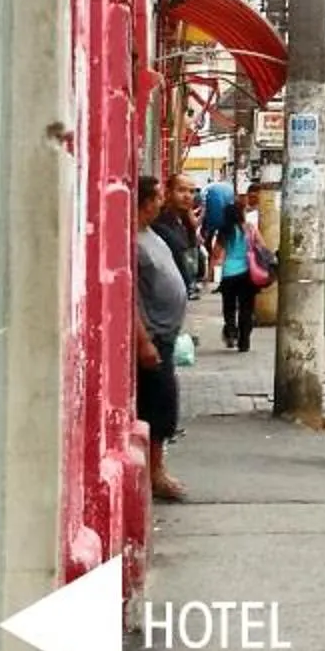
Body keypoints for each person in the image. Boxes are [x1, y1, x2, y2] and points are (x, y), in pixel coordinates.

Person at [133, 177, 190, 500]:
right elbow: (130, 298)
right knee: (157, 407)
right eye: (156, 197)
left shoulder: (150, 233)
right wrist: (142, 340)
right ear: (145, 201)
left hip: (165, 334)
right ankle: (154, 472)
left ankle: (156, 468)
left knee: (165, 405)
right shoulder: (134, 241)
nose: (160, 202)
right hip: (153, 335)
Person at [210, 185, 268, 351]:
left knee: (229, 307)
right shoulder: (249, 228)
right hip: (248, 273)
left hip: (229, 273)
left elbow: (216, 253)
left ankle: (231, 331)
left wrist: (212, 270)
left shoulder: (224, 231)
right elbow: (262, 247)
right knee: (246, 308)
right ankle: (244, 342)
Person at [153, 175, 204, 298]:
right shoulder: (160, 222)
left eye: (191, 191)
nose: (187, 196)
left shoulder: (184, 221)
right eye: (181, 190)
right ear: (168, 193)